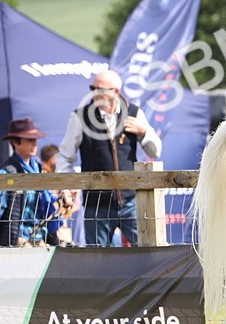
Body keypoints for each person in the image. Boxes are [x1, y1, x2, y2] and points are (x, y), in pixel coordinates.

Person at [56, 70, 161, 247]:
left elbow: (155, 151)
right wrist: (66, 186)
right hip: (96, 204)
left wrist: (144, 131)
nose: (95, 93)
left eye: (100, 89)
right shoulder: (80, 116)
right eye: (92, 88)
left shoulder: (134, 113)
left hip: (131, 201)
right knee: (98, 262)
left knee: (147, 252)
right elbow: (65, 157)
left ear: (116, 92)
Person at [0, 118, 60, 247]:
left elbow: (47, 197)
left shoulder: (38, 168)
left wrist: (62, 195)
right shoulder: (6, 172)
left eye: (35, 140)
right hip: (17, 236)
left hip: (39, 234)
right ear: (15, 142)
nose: (35, 144)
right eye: (30, 140)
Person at [39, 143, 78, 246]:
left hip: (60, 229)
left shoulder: (57, 175)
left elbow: (67, 211)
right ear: (52, 158)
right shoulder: (42, 177)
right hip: (48, 230)